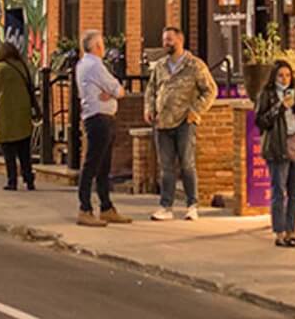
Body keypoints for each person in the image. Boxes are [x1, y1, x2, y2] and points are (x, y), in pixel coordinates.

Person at [145, 29, 216, 220]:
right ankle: (165, 207)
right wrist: (149, 108)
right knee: (166, 166)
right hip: (162, 122)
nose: (165, 43)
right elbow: (151, 89)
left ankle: (192, 205)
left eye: (169, 40)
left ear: (180, 40)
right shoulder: (160, 66)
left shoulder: (194, 65)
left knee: (186, 164)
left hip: (185, 121)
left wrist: (196, 111)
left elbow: (210, 90)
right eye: (164, 40)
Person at [73, 31, 131, 227]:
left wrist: (111, 92)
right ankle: (85, 209)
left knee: (103, 166)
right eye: (102, 44)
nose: (104, 48)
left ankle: (106, 207)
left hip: (96, 116)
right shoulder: (95, 66)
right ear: (97, 46)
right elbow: (118, 90)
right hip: (100, 118)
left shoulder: (82, 64)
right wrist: (114, 91)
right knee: (93, 164)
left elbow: (112, 90)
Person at [255, 59, 295, 247]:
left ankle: (291, 230)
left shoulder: (294, 93)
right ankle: (279, 232)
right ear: (274, 76)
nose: (285, 79)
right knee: (278, 190)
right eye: (281, 75)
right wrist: (280, 107)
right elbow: (261, 121)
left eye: (288, 75)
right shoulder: (267, 94)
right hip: (278, 146)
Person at [0, 40, 38, 192]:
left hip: (4, 116)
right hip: (23, 114)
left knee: (9, 152)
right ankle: (29, 179)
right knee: (24, 151)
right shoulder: (22, 66)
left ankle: (12, 181)